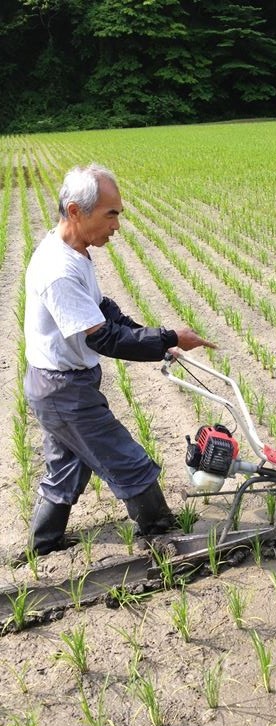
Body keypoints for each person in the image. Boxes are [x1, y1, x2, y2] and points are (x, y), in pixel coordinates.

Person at [18, 163, 215, 560]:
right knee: (128, 462)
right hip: (63, 390)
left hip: (56, 384)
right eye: (112, 214)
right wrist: (170, 337)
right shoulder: (58, 270)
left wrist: (161, 342)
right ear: (76, 211)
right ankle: (163, 536)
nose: (117, 225)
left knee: (66, 470)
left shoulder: (73, 251)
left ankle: (42, 546)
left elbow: (104, 311)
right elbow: (105, 337)